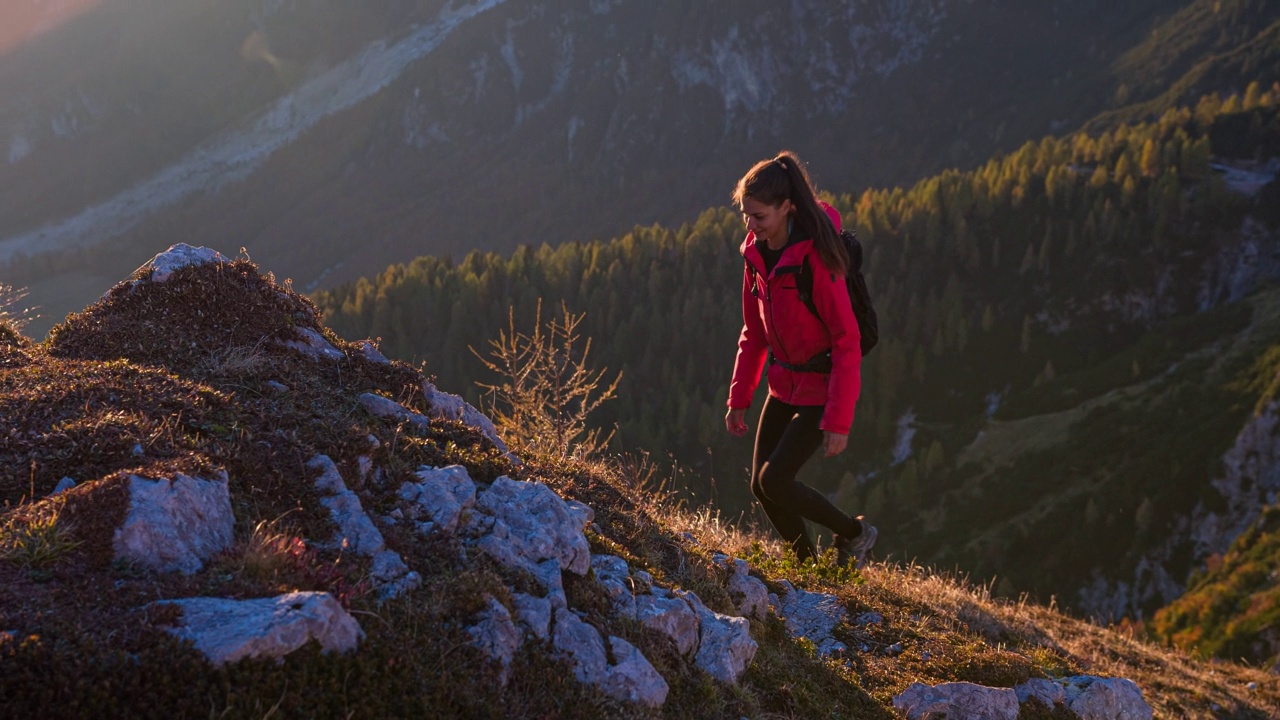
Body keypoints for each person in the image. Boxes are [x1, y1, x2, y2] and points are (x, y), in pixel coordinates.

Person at [725, 150, 877, 567]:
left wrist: (838, 420)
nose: (750, 226)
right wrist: (739, 397)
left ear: (786, 207)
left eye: (759, 217)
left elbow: (847, 340)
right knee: (762, 486)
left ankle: (856, 534)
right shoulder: (755, 256)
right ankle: (807, 567)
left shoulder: (816, 259)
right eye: (745, 215)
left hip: (820, 387)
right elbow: (753, 332)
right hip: (783, 384)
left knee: (775, 479)